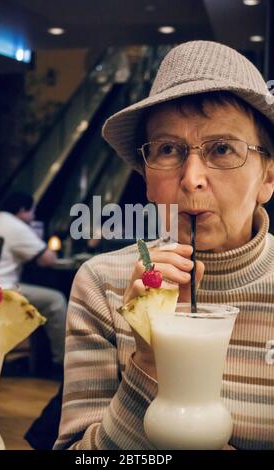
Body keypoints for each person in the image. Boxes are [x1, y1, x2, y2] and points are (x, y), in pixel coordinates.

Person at [54, 41, 274, 450]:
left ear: (268, 178)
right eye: (168, 149)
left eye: (222, 149)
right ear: (147, 177)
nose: (191, 178)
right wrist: (150, 360)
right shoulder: (104, 285)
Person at [0, 191, 67, 368]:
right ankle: (63, 362)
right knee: (55, 300)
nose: (33, 216)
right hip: (2, 291)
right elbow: (48, 259)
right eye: (31, 211)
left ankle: (40, 359)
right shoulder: (15, 226)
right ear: (21, 210)